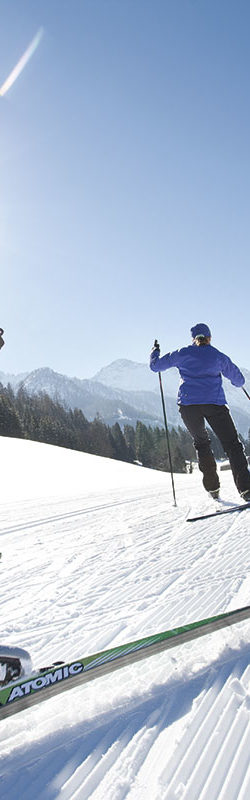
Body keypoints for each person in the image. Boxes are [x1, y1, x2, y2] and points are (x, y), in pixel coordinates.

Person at [150, 323, 250, 502]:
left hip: (189, 406)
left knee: (202, 444)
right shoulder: (217, 356)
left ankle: (213, 488)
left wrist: (154, 352)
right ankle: (246, 490)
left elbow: (155, 367)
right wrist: (237, 382)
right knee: (232, 446)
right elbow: (238, 379)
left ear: (193, 338)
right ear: (209, 337)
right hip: (215, 404)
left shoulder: (182, 353)